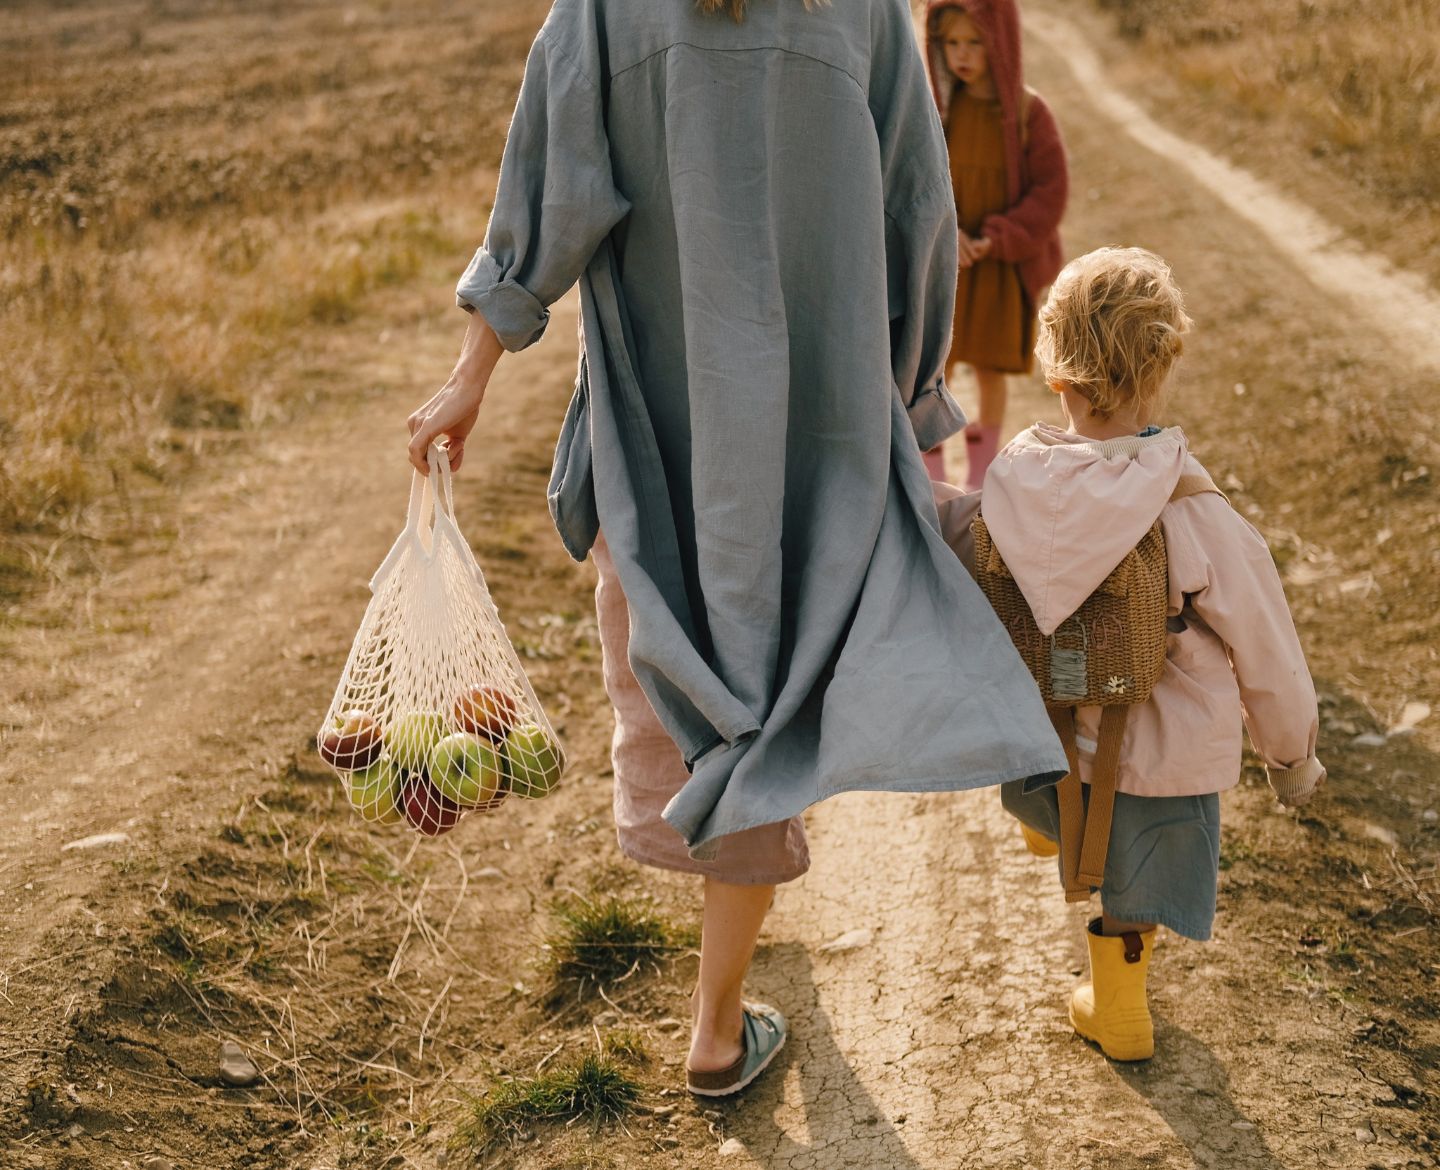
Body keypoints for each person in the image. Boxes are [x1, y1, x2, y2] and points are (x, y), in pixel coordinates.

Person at [405, 0, 1066, 1096]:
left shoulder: (607, 10)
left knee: (704, 691)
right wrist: (904, 401)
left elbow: (545, 192)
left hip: (665, 425)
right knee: (781, 679)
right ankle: (716, 1026)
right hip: (825, 418)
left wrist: (472, 374)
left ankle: (721, 1010)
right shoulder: (862, 15)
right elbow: (919, 210)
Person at [978, 247, 1325, 1060]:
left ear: (1055, 375)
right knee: (1140, 858)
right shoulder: (1188, 508)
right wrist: (1289, 755)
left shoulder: (1012, 483)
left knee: (1057, 790)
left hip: (1051, 736)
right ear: (1163, 366)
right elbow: (1265, 641)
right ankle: (1121, 1010)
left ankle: (1046, 821)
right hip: (1162, 748)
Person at [921, 0, 1068, 489]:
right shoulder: (936, 112)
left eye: (974, 42)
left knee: (988, 369)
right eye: (951, 44)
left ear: (999, 41)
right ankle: (933, 472)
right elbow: (916, 179)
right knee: (931, 367)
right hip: (946, 263)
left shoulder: (1028, 114)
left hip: (997, 267)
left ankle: (981, 476)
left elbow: (1051, 191)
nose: (961, 55)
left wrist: (996, 237)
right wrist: (946, 233)